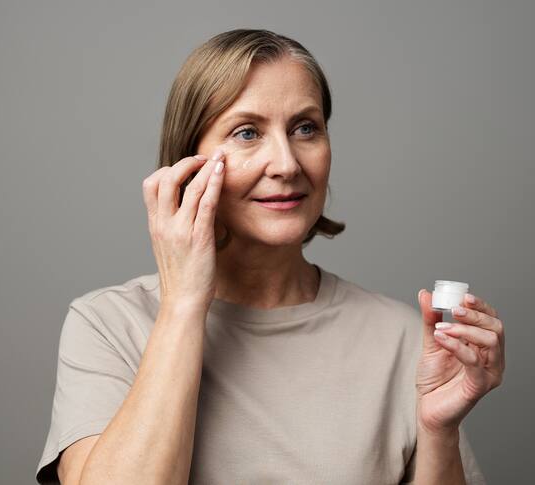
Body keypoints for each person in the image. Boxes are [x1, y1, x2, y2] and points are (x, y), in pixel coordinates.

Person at [35, 28, 505, 485]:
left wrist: (438, 432)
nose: (286, 164)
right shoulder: (107, 325)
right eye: (246, 133)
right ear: (187, 161)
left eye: (305, 128)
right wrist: (183, 304)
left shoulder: (402, 338)